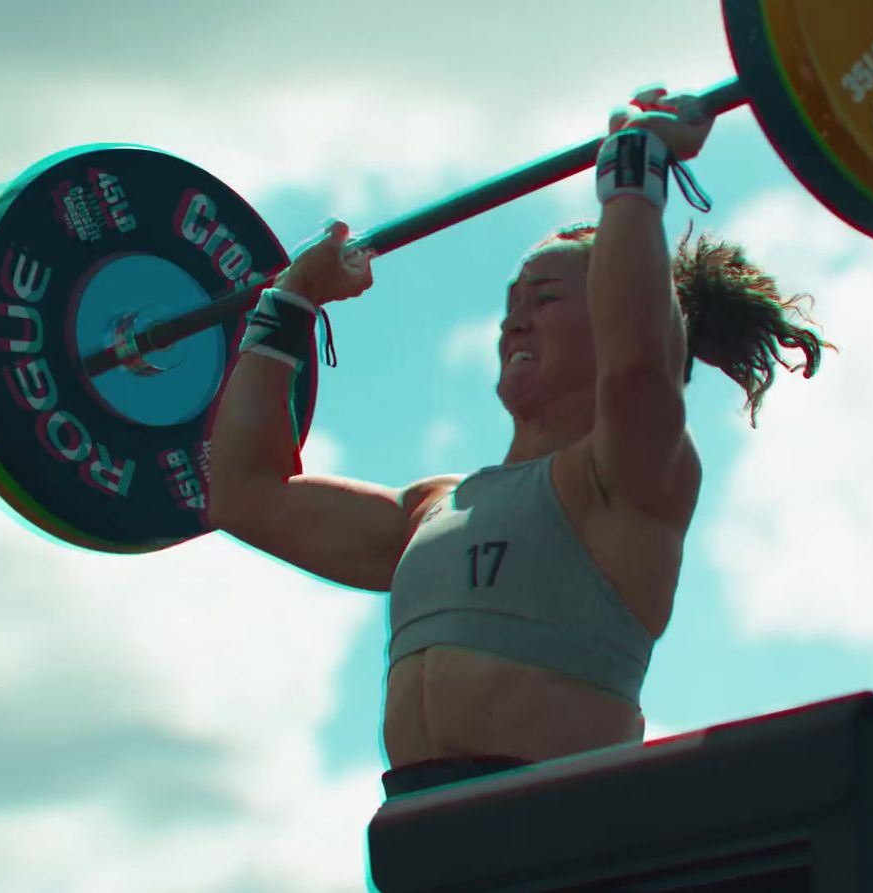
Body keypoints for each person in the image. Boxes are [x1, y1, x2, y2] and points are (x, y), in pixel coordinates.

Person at [205, 87, 832, 799]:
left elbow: (636, 359)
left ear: (609, 311)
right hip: (419, 834)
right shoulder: (431, 509)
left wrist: (635, 167)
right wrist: (288, 302)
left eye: (544, 299)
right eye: (510, 305)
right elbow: (242, 494)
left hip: (559, 837)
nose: (515, 323)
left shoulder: (627, 479)